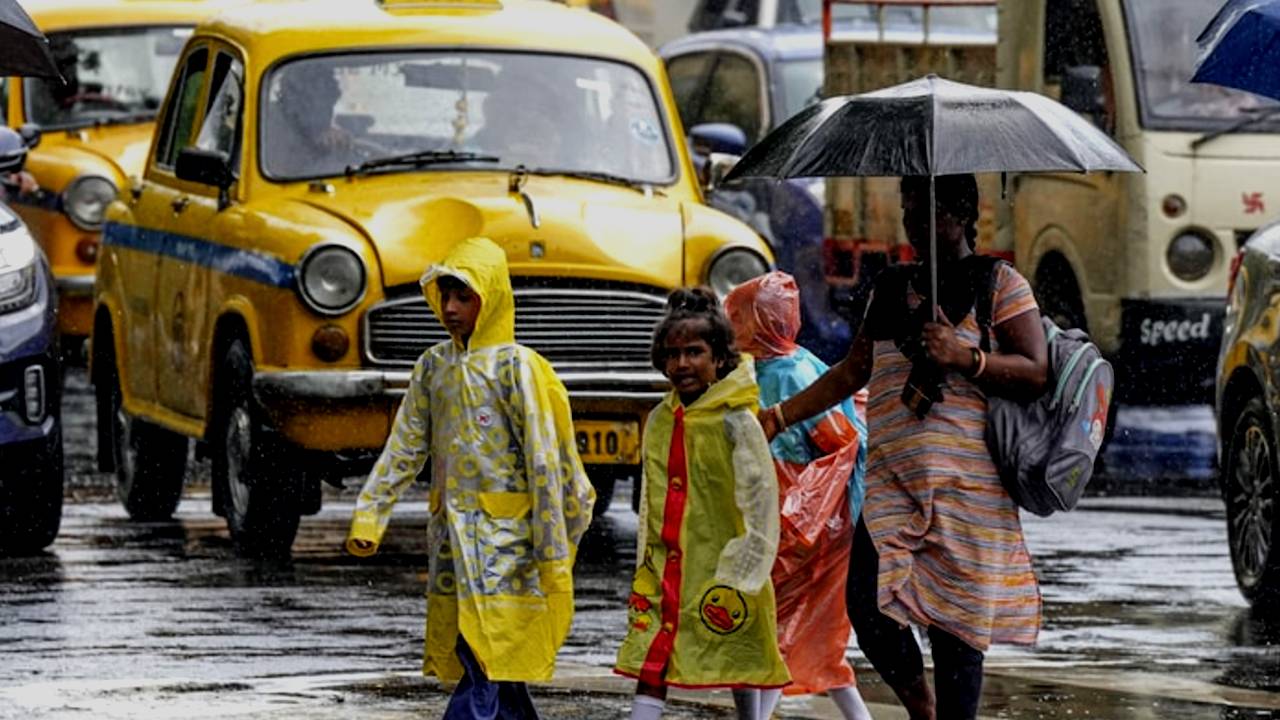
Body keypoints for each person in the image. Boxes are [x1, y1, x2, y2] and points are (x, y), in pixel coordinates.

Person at [758, 174, 1048, 720]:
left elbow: (1035, 370)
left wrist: (967, 358)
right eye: (909, 212)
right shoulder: (892, 287)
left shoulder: (999, 284)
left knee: (954, 631)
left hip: (969, 491)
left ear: (964, 214)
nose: (915, 225)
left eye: (928, 214)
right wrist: (779, 416)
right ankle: (922, 707)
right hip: (893, 483)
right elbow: (852, 371)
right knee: (867, 608)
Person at [346, 236, 596, 720]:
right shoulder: (433, 367)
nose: (451, 308)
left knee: (488, 652)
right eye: (445, 295)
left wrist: (552, 547)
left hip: (510, 544)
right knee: (489, 657)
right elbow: (405, 446)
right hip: (453, 543)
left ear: (493, 296)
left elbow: (547, 462)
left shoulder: (517, 369)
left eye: (464, 296)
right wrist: (369, 515)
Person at [615, 287, 789, 720]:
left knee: (736, 654)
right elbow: (651, 501)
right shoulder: (659, 419)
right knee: (655, 658)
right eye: (673, 354)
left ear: (719, 358)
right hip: (669, 569)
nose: (682, 364)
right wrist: (648, 565)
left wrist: (744, 570)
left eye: (695, 352)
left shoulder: (736, 421)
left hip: (724, 569)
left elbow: (760, 504)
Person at [724, 272, 873, 720]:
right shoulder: (769, 369)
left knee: (778, 627)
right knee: (809, 632)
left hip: (806, 522)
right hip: (789, 514)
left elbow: (838, 439)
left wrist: (806, 503)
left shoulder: (789, 374)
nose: (730, 328)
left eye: (737, 318)